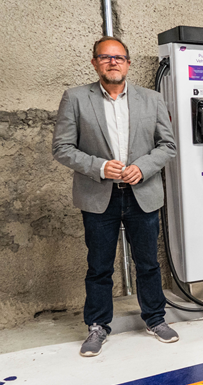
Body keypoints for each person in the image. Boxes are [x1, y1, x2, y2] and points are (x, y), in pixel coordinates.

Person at [53, 36, 178, 357]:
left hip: (143, 194)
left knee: (148, 263)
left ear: (128, 63)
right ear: (95, 62)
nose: (113, 62)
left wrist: (143, 167)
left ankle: (155, 318)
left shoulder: (151, 99)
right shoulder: (76, 98)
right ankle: (97, 326)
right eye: (105, 57)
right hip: (99, 196)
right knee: (99, 266)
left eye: (119, 57)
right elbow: (62, 148)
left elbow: (167, 146)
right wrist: (99, 167)